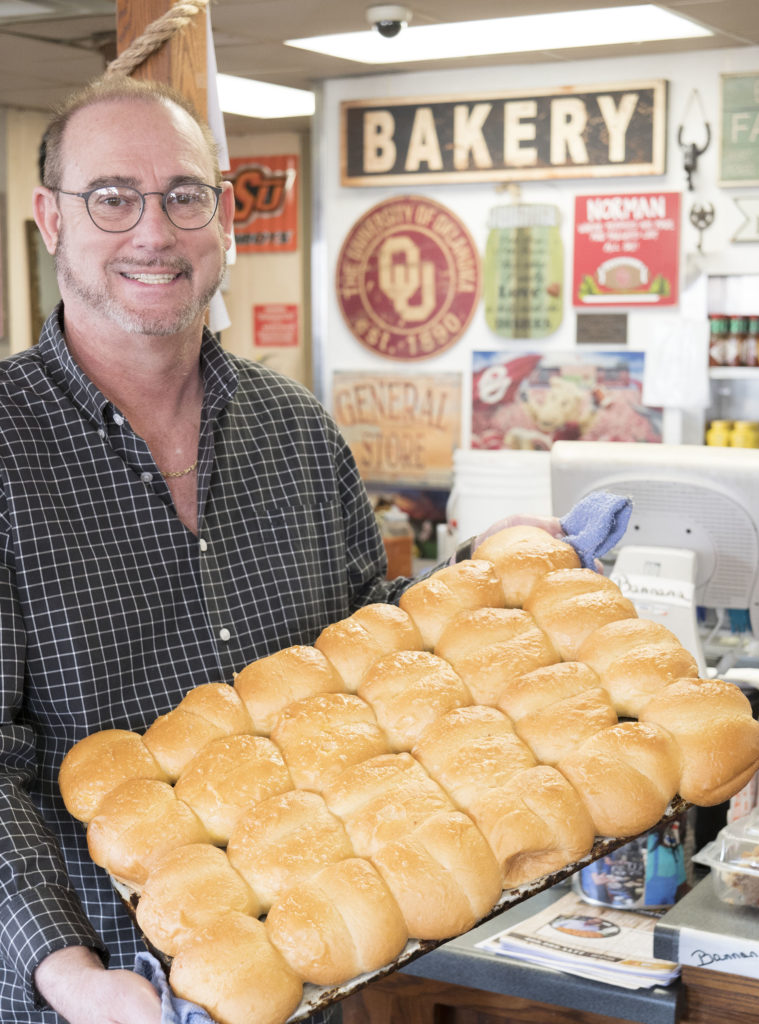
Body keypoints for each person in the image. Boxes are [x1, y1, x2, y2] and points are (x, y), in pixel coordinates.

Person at [0, 75, 561, 1024]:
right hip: (92, 993)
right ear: (51, 221)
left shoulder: (296, 431)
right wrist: (67, 971)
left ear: (223, 219)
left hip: (312, 972)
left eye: (183, 195)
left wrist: (484, 574)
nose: (152, 232)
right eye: (112, 198)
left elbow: (366, 666)